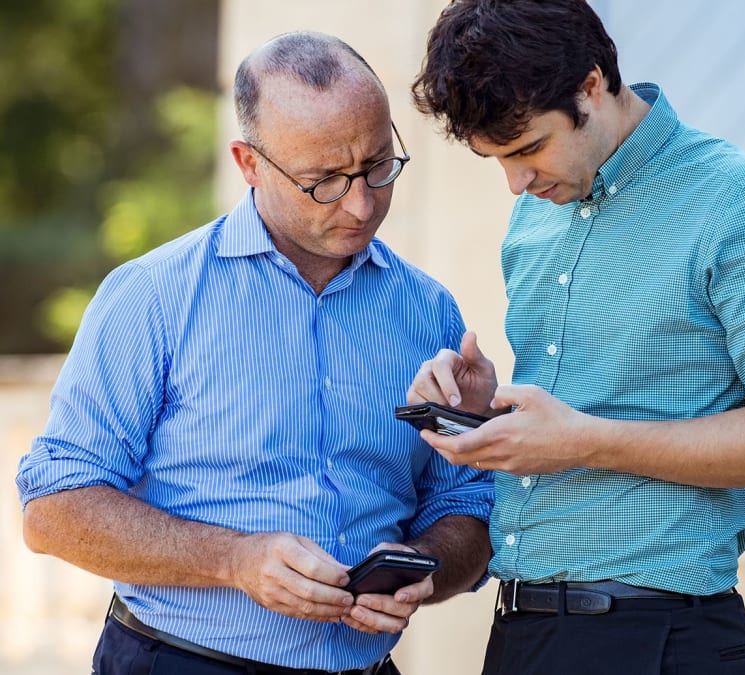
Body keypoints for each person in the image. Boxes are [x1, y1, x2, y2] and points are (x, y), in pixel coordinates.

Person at [16, 31, 493, 675]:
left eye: (378, 166)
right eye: (323, 180)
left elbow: (465, 503)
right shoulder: (153, 297)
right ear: (249, 164)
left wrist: (426, 572)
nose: (361, 203)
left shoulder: (429, 311)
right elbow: (54, 507)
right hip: (184, 661)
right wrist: (234, 560)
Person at [408, 2, 745, 674]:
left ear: (592, 85)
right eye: (495, 159)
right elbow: (591, 402)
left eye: (530, 147)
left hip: (660, 638)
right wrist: (485, 405)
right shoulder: (534, 220)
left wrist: (585, 439)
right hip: (522, 629)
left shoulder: (740, 204)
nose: (517, 182)